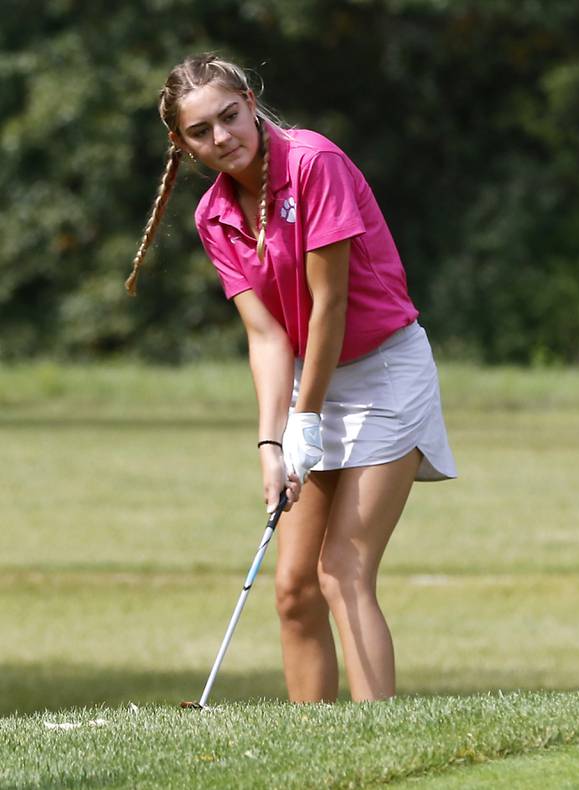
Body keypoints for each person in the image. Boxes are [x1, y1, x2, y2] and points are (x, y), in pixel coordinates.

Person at [127, 53, 456, 703]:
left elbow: (328, 304)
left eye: (230, 116)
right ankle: (315, 751)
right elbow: (269, 336)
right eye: (201, 131)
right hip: (313, 380)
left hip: (385, 373)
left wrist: (304, 420)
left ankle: (377, 744)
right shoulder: (214, 217)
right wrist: (272, 444)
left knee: (342, 570)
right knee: (293, 587)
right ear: (181, 144)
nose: (222, 137)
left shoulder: (314, 164)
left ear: (251, 102)